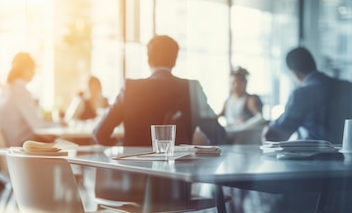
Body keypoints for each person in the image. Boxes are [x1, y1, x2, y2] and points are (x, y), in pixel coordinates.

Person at [93, 35, 227, 146]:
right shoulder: (191, 88)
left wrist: (123, 147)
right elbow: (218, 135)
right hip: (178, 172)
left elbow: (99, 133)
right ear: (174, 61)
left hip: (134, 171)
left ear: (148, 60)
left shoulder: (130, 88)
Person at [263, 46, 352, 143]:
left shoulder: (301, 94)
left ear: (294, 73)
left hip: (315, 156)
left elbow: (274, 135)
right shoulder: (347, 86)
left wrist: (268, 128)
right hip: (347, 155)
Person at [0, 52, 58, 146]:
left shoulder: (5, 90)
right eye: (32, 69)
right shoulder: (20, 92)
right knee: (64, 144)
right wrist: (58, 124)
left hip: (11, 146)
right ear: (25, 69)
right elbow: (38, 125)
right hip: (22, 147)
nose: (34, 73)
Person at [218, 67, 266, 144]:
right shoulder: (228, 101)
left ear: (244, 83)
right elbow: (218, 116)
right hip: (229, 134)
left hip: (243, 137)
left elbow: (260, 118)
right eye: (232, 83)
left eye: (237, 82)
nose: (234, 85)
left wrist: (245, 123)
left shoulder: (249, 100)